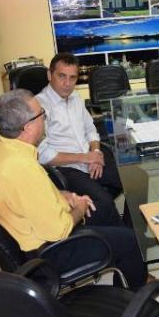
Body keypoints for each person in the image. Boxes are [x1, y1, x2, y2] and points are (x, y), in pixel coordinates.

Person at [0, 89, 159, 289]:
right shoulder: (22, 168)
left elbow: (25, 195)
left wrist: (64, 195)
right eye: (42, 114)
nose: (45, 118)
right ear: (28, 127)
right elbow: (60, 229)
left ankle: (132, 276)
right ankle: (135, 297)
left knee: (107, 213)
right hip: (49, 252)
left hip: (35, 229)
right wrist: (80, 208)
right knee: (131, 240)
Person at [37, 52, 123, 227]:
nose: (67, 84)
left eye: (73, 78)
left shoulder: (76, 98)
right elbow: (44, 154)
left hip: (89, 156)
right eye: (61, 76)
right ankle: (120, 240)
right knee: (105, 202)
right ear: (49, 75)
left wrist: (96, 153)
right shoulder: (39, 106)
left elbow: (91, 129)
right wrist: (85, 158)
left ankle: (131, 228)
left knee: (136, 179)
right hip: (66, 168)